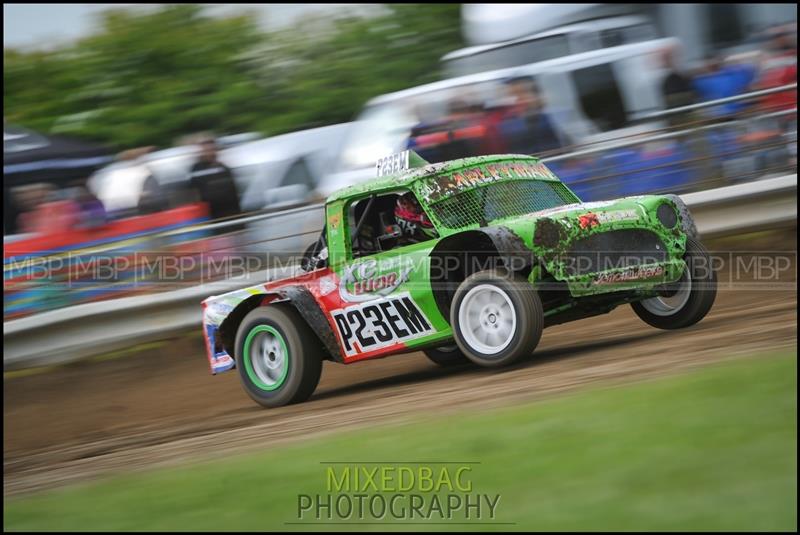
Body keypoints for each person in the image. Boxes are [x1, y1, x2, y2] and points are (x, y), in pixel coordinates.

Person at [500, 76, 564, 156]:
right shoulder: (509, 124)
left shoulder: (555, 117)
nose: (518, 98)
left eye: (522, 92)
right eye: (513, 94)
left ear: (537, 95)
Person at [188, 137, 241, 223]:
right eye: (207, 150)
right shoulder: (196, 169)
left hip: (228, 213)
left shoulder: (224, 168)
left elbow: (233, 191)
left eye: (212, 149)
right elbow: (193, 192)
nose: (210, 152)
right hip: (209, 215)